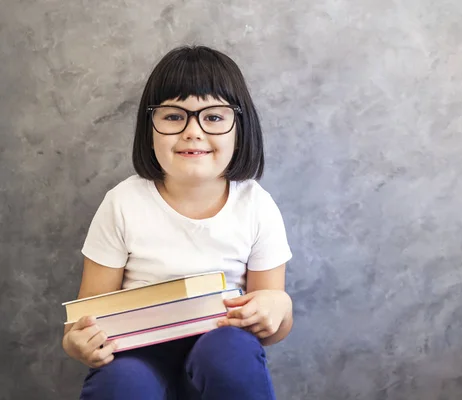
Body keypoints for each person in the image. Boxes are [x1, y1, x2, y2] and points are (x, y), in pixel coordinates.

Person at [61, 45, 294, 400]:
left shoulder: (256, 206)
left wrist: (279, 308)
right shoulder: (122, 203)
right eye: (173, 116)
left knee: (230, 352)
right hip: (135, 356)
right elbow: (86, 316)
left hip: (221, 348)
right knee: (121, 383)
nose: (193, 131)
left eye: (213, 117)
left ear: (240, 128)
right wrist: (78, 341)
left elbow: (272, 326)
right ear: (148, 127)